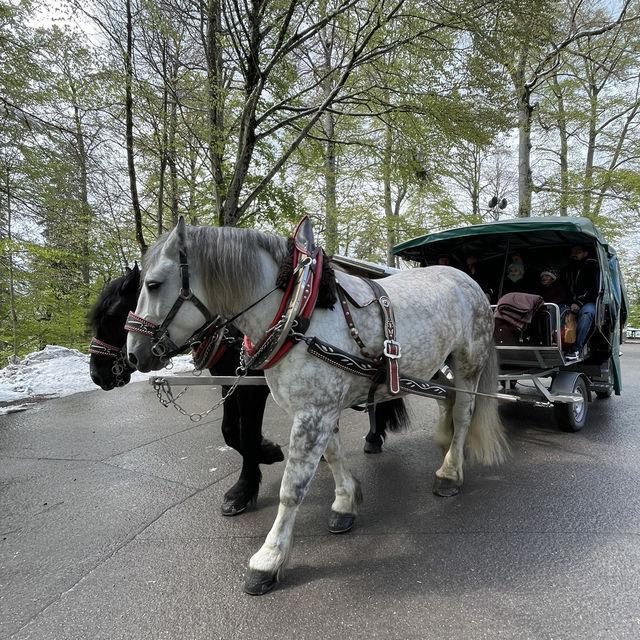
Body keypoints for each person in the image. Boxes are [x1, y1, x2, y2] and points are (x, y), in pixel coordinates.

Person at [561, 245, 599, 360]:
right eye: (572, 252)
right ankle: (559, 344)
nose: (574, 254)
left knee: (587, 313)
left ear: (585, 253)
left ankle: (575, 349)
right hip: (570, 302)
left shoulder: (592, 266)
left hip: (589, 301)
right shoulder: (567, 270)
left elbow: (594, 290)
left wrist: (578, 303)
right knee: (559, 309)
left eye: (578, 251)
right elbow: (564, 289)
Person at [536, 266, 568, 330]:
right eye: (543, 276)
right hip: (545, 306)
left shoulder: (558, 286)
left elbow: (562, 297)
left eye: (547, 276)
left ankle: (552, 333)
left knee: (553, 309)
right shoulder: (540, 287)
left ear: (553, 278)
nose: (544, 278)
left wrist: (552, 303)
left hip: (556, 306)